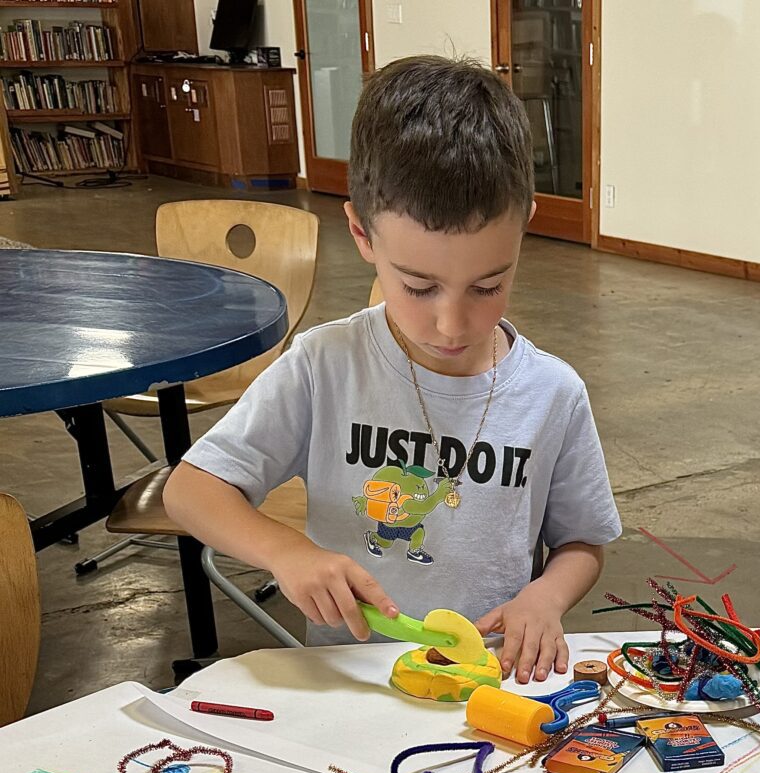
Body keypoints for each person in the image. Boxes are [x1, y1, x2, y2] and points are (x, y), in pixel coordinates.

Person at [165, 56, 621, 683]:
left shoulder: (553, 394)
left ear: (524, 231)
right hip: (348, 680)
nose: (453, 325)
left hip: (488, 681)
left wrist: (545, 598)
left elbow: (582, 543)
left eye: (489, 285)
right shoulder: (326, 368)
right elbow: (191, 491)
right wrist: (284, 550)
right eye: (419, 286)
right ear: (361, 232)